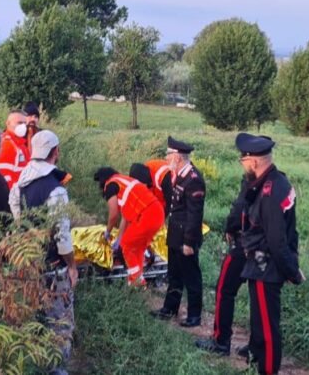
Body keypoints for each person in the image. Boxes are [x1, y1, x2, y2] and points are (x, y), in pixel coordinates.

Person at [234, 132, 305, 375]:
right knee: (258, 321)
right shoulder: (268, 182)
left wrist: (292, 271)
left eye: (243, 161)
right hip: (259, 264)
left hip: (268, 269)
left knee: (268, 328)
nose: (243, 166)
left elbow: (278, 240)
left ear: (253, 161)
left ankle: (268, 370)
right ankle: (256, 359)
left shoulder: (271, 190)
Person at [13, 130, 77, 375]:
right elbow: (62, 238)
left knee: (32, 317)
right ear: (56, 152)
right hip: (53, 267)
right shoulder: (56, 190)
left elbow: (18, 220)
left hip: (28, 264)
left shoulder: (20, 184)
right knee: (59, 322)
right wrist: (71, 267)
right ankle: (56, 368)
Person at [152, 136, 206, 327]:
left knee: (191, 276)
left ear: (178, 157)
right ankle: (170, 308)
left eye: (168, 155)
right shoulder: (180, 175)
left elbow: (194, 215)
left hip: (186, 236)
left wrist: (189, 243)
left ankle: (194, 315)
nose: (166, 159)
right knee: (174, 273)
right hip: (175, 233)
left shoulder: (193, 180)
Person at [194, 177, 249, 355]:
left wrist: (230, 228)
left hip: (243, 246)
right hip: (265, 250)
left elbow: (238, 210)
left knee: (224, 291)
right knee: (257, 297)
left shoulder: (251, 182)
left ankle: (221, 341)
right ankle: (257, 346)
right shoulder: (277, 183)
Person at [94, 167, 166, 285]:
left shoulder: (110, 185)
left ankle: (136, 281)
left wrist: (108, 232)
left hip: (147, 215)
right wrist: (119, 237)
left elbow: (113, 214)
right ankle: (137, 280)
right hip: (157, 213)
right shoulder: (124, 181)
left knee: (126, 246)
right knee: (137, 248)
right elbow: (126, 217)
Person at [0, 109, 30, 191]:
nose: (23, 126)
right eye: (19, 123)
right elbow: (3, 175)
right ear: (8, 123)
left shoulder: (20, 143)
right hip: (14, 195)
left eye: (25, 123)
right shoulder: (7, 144)